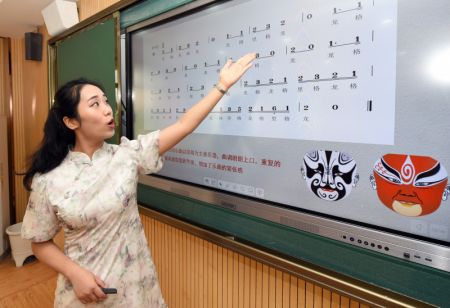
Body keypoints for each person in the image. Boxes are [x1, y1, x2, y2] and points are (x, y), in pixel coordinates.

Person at [21, 53, 256, 307]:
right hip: (84, 294)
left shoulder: (127, 155)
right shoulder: (49, 179)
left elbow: (184, 125)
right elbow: (39, 242)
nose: (108, 108)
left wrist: (221, 87)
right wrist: (76, 274)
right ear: (71, 121)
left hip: (136, 290)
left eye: (106, 100)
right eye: (94, 104)